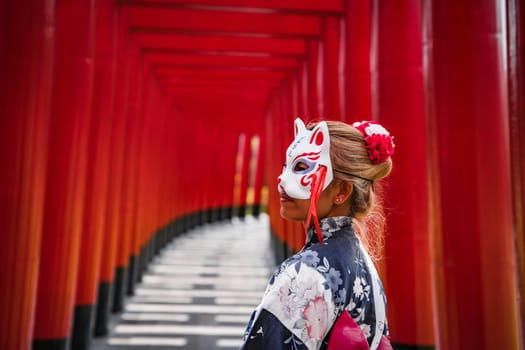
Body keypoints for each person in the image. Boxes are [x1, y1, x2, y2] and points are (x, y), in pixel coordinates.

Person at [240, 118, 395, 350]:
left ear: (342, 191)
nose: (282, 179)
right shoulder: (365, 264)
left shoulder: (306, 273)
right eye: (286, 166)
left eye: (301, 167)